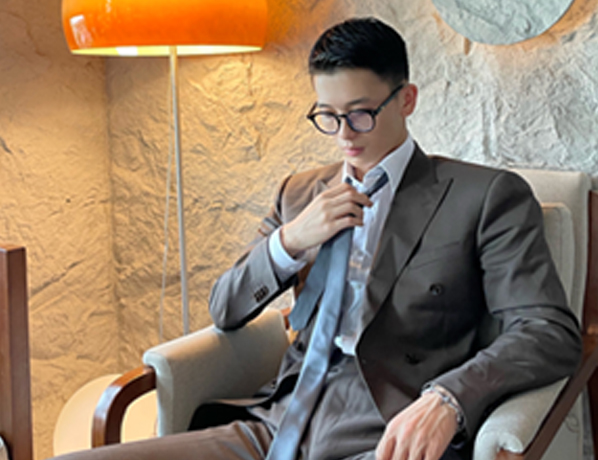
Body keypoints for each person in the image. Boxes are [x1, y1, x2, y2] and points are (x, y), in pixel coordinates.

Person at [54, 16, 581, 460]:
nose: (344, 134)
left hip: (387, 427)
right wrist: (290, 241)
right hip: (277, 420)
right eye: (328, 116)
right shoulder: (299, 192)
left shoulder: (483, 196)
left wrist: (447, 399)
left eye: (360, 114)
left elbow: (548, 330)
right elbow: (224, 308)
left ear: (407, 100)